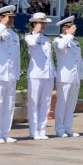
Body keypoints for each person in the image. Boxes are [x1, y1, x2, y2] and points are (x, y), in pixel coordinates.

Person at [0, 5, 19, 143]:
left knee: (9, 105)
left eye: (12, 17)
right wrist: (1, 25)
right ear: (1, 17)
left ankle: (6, 133)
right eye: (9, 17)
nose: (11, 20)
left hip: (11, 75)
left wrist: (16, 74)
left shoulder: (14, 35)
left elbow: (16, 57)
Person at [25, 12, 55, 140]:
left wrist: (54, 73)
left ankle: (42, 130)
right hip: (35, 75)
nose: (43, 25)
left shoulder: (47, 39)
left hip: (47, 75)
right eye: (41, 23)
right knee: (34, 103)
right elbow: (32, 44)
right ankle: (33, 131)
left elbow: (49, 58)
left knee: (45, 103)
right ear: (34, 24)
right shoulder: (29, 37)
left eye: (44, 23)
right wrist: (36, 31)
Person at [54, 16, 82, 138]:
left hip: (75, 77)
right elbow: (61, 47)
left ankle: (68, 127)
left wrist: (80, 76)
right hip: (64, 77)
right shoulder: (58, 40)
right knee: (62, 103)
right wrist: (69, 35)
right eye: (71, 27)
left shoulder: (76, 42)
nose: (74, 29)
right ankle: (59, 128)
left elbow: (79, 60)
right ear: (65, 28)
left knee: (71, 104)